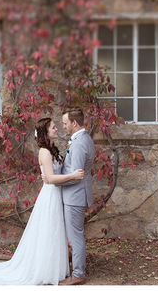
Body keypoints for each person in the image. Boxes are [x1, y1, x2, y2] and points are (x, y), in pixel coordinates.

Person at [0, 117, 85, 285]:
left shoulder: (52, 149)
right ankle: (44, 269)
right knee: (49, 231)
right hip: (51, 196)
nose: (56, 129)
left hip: (57, 194)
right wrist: (73, 176)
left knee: (54, 232)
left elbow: (51, 174)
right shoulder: (44, 152)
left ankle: (54, 266)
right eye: (53, 127)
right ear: (45, 132)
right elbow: (51, 177)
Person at [55, 107, 95, 286]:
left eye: (65, 123)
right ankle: (74, 267)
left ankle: (78, 273)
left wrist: (54, 181)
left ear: (74, 123)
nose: (63, 126)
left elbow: (76, 175)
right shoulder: (83, 139)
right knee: (75, 234)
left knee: (75, 236)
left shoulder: (79, 143)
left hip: (75, 196)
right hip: (76, 195)